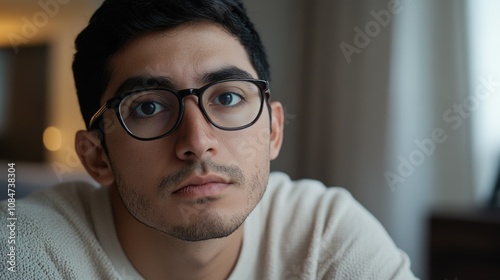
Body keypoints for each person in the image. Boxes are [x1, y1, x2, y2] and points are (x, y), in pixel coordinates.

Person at [0, 0, 417, 279]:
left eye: (229, 97)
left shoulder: (325, 233)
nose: (197, 142)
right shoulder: (25, 248)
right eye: (147, 107)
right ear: (97, 158)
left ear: (273, 130)